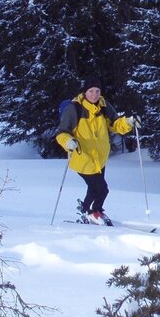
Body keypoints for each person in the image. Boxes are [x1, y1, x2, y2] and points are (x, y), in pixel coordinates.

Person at [55, 75, 135, 225]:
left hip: (100, 158)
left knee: (94, 188)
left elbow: (116, 124)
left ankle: (87, 209)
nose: (94, 94)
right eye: (91, 91)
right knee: (102, 189)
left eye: (97, 91)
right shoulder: (75, 109)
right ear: (85, 92)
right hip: (82, 157)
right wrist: (68, 141)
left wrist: (128, 122)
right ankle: (93, 210)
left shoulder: (104, 106)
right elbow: (61, 132)